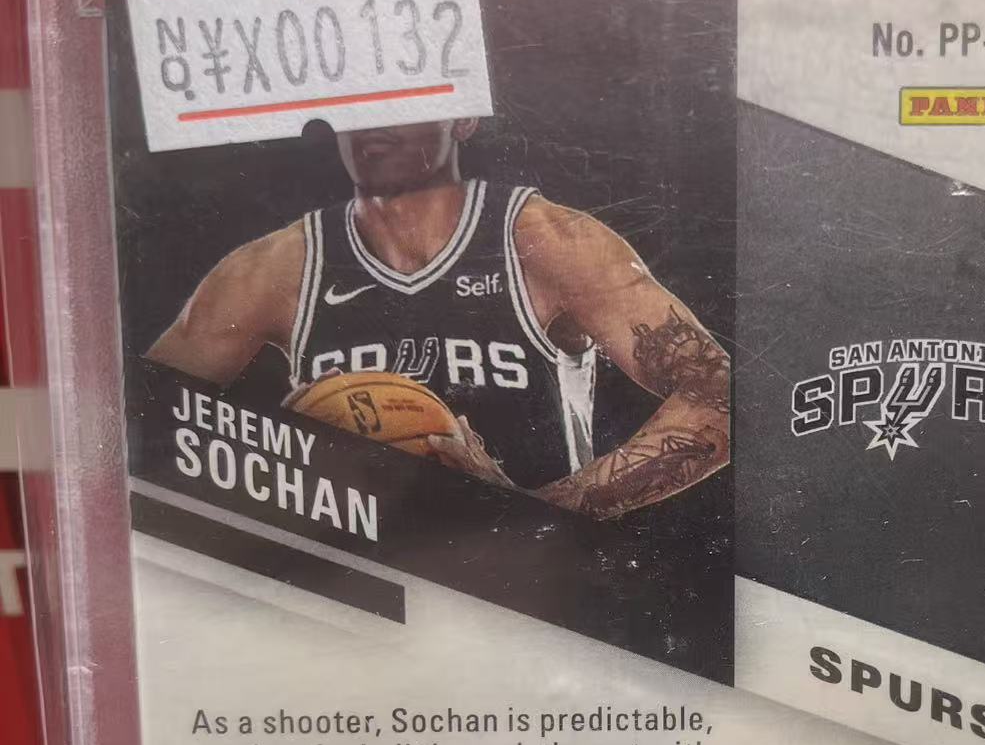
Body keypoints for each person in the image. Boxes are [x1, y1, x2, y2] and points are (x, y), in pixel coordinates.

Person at [147, 119, 730, 519]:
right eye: (359, 97)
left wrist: (537, 512)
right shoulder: (276, 268)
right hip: (353, 587)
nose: (375, 119)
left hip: (534, 595)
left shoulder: (546, 241)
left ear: (465, 115)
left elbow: (721, 396)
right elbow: (144, 420)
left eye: (401, 94)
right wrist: (275, 463)